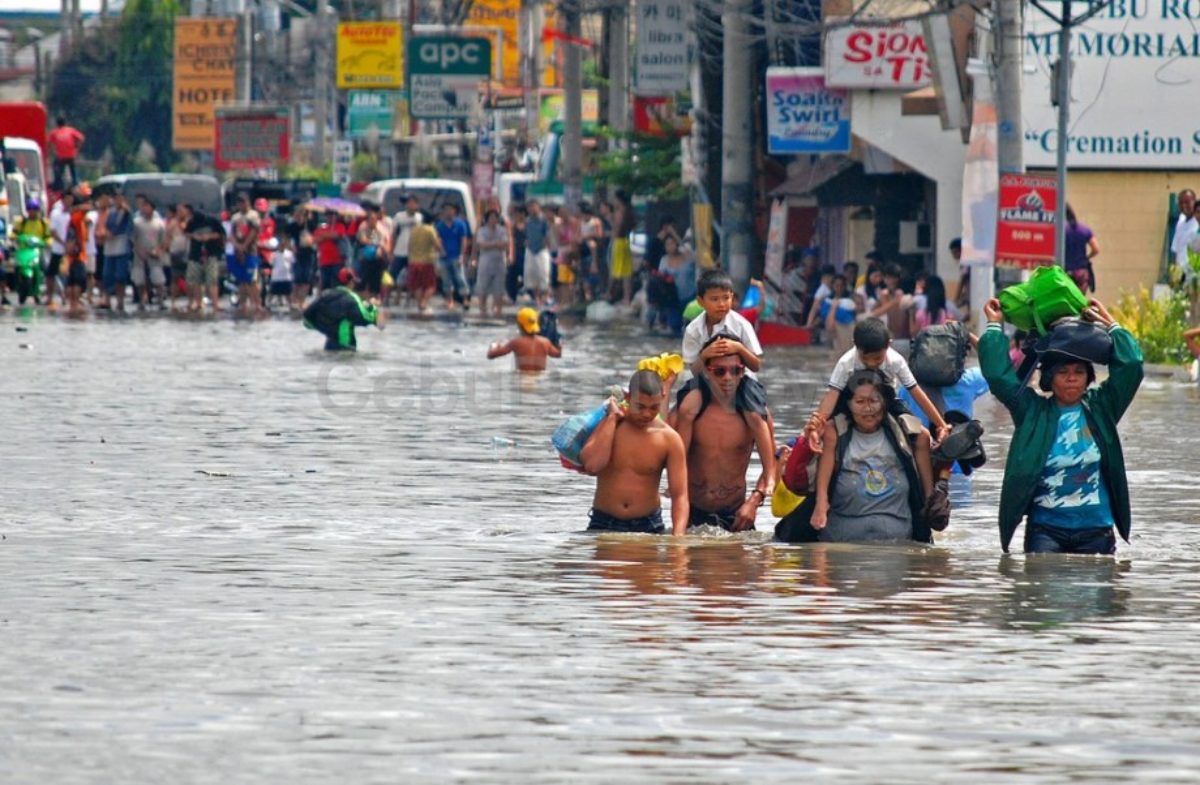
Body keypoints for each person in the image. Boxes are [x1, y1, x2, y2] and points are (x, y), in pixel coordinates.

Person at [979, 296, 1143, 554]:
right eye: (1063, 373)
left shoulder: (1102, 408)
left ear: (1088, 378)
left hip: (1096, 530)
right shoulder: (1032, 411)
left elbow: (1131, 367)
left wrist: (1111, 325)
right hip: (1045, 531)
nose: (1071, 379)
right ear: (1049, 378)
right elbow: (999, 377)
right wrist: (994, 326)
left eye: (1078, 372)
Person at [808, 370, 937, 543]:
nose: (867, 409)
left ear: (885, 403)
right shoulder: (836, 433)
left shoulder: (903, 434)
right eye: (860, 402)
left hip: (898, 545)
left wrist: (931, 501)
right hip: (841, 544)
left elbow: (924, 437)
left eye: (874, 401)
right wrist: (820, 503)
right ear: (848, 404)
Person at [804, 319, 950, 453]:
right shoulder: (845, 363)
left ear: (889, 345)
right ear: (855, 345)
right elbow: (832, 396)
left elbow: (916, 392)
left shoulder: (896, 361)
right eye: (865, 359)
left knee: (923, 435)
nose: (872, 363)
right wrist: (817, 426)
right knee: (827, 434)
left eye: (878, 359)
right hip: (850, 405)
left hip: (887, 403)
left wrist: (941, 425)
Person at [673, 349, 775, 532]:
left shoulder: (756, 415)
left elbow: (774, 464)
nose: (727, 378)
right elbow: (659, 450)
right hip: (691, 513)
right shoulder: (688, 412)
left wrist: (753, 502)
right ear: (706, 372)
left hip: (736, 516)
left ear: (743, 372)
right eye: (719, 371)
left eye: (735, 371)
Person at [579, 370, 689, 535]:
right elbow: (592, 466)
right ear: (628, 397)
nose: (646, 414)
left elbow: (680, 496)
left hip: (648, 525)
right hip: (604, 523)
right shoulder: (610, 425)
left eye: (654, 407)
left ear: (663, 397)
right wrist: (612, 418)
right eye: (640, 406)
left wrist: (678, 541)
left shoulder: (670, 439)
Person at [302, 268, 385, 351]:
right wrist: (373, 307)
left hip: (329, 345)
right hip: (346, 345)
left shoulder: (325, 295)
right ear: (350, 282)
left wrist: (322, 328)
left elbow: (307, 318)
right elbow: (365, 317)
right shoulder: (352, 298)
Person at [179, 202, 225, 314]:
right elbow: (186, 233)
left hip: (211, 254)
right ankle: (198, 303)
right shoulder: (192, 222)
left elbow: (222, 234)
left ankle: (215, 304)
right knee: (195, 280)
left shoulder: (212, 221)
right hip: (195, 255)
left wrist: (209, 236)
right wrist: (195, 236)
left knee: (212, 280)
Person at [487, 307, 562, 371]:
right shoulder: (545, 342)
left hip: (522, 378)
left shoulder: (516, 342)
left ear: (519, 325)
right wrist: (558, 342)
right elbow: (558, 354)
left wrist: (494, 345)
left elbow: (491, 355)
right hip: (540, 379)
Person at [131, 194, 168, 311]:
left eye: (147, 206)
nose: (144, 209)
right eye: (143, 206)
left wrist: (158, 250)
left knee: (158, 279)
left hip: (155, 255)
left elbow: (164, 240)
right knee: (139, 280)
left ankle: (161, 300)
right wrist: (140, 251)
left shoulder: (159, 223)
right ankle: (142, 300)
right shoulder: (136, 222)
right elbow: (133, 239)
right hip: (140, 256)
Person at [229, 193, 263, 317]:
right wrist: (237, 246)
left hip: (250, 251)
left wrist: (244, 245)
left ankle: (257, 303)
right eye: (239, 202)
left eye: (243, 202)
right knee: (242, 280)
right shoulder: (235, 217)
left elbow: (254, 231)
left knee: (251, 280)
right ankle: (242, 303)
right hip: (237, 252)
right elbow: (232, 234)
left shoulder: (253, 216)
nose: (242, 204)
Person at [102, 192, 134, 312]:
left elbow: (129, 227)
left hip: (122, 245)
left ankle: (120, 301)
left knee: (121, 275)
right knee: (107, 274)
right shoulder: (111, 212)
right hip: (110, 246)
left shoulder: (128, 213)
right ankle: (107, 299)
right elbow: (108, 226)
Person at [435, 203, 471, 311]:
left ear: (454, 211)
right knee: (446, 280)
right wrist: (440, 250)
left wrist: (462, 255)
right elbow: (437, 239)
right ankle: (450, 300)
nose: (448, 212)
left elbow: (463, 240)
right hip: (444, 257)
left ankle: (465, 299)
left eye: (451, 210)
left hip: (456, 255)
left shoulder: (460, 224)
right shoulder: (440, 225)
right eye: (446, 210)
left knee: (460, 278)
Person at [406, 211, 442, 314]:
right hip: (427, 262)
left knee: (417, 285)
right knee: (431, 285)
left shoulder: (415, 229)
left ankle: (419, 304)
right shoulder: (430, 230)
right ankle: (424, 303)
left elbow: (409, 245)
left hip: (413, 261)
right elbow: (437, 245)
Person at [474, 209, 508, 316]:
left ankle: (498, 309)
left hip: (499, 262)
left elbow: (504, 244)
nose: (493, 220)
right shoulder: (482, 230)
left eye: (495, 217)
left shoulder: (502, 230)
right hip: (485, 262)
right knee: (482, 286)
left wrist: (490, 244)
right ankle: (482, 309)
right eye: (491, 217)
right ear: (487, 219)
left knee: (499, 287)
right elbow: (481, 245)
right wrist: (495, 244)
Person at [390, 194, 423, 304]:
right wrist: (391, 251)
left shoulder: (419, 218)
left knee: (411, 277)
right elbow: (393, 234)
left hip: (414, 252)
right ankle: (389, 297)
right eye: (409, 203)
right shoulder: (399, 217)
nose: (411, 205)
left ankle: (409, 298)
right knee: (392, 275)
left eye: (414, 203)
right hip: (399, 250)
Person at [1063, 204, 1100, 293]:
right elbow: (1096, 249)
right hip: (1081, 271)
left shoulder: (1061, 230)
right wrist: (1087, 257)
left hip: (1065, 271)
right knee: (1080, 301)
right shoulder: (1084, 229)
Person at [523, 200, 552, 306]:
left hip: (542, 250)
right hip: (530, 249)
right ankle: (536, 298)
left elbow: (548, 234)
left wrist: (545, 243)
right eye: (530, 207)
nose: (532, 209)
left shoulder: (544, 220)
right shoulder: (528, 220)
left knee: (543, 274)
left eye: (534, 207)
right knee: (531, 275)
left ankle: (546, 297)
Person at [610, 190, 636, 305]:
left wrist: (613, 235)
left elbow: (617, 226)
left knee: (620, 272)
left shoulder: (621, 211)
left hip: (619, 242)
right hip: (625, 241)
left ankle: (620, 295)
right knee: (626, 272)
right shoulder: (628, 211)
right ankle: (626, 297)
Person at [48, 116, 85, 191]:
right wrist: (77, 148)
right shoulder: (70, 130)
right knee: (73, 171)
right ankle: (75, 183)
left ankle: (57, 184)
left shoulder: (55, 132)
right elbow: (81, 138)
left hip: (61, 156)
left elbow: (49, 143)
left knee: (57, 170)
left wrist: (53, 152)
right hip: (71, 155)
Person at [1171, 189, 1197, 285]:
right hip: (1180, 274)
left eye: (1187, 202)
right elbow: (1175, 249)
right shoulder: (1180, 222)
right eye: (1181, 203)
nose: (1183, 206)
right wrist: (1173, 272)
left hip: (1194, 274)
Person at [268, 234, 294, 310]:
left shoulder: (289, 253)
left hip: (286, 277)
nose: (281, 246)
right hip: (276, 277)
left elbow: (292, 262)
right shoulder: (274, 254)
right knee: (272, 291)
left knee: (288, 293)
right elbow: (271, 263)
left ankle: (291, 305)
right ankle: (268, 304)